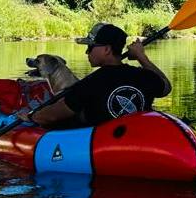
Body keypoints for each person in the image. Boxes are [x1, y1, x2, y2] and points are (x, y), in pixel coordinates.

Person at [26, 22, 171, 128]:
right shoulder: (143, 76)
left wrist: (31, 116)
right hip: (139, 139)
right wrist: (141, 57)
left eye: (91, 47)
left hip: (100, 148)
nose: (87, 52)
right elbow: (165, 87)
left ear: (107, 49)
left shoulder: (90, 83)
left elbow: (53, 115)